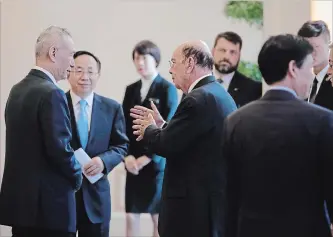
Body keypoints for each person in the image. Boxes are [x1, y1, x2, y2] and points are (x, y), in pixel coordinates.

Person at [223, 34, 333, 237]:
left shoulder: (235, 121)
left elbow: (230, 196)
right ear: (293, 68)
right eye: (308, 68)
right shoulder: (322, 120)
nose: (311, 76)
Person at [130, 40, 237, 237]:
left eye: (173, 62)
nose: (170, 69)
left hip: (193, 210)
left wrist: (148, 129)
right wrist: (162, 126)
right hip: (209, 204)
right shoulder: (216, 93)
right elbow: (186, 139)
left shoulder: (197, 99)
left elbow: (166, 145)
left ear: (189, 63)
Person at [0, 26, 82, 237]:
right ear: (54, 53)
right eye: (71, 54)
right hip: (50, 210)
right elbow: (60, 149)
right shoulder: (52, 93)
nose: (73, 62)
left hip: (21, 209)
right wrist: (77, 175)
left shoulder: (16, 90)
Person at [66, 50, 129, 237]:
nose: (85, 77)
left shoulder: (112, 108)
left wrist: (103, 162)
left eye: (90, 71)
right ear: (69, 72)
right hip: (63, 196)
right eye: (78, 70)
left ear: (98, 75)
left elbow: (121, 146)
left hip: (96, 198)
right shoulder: (56, 103)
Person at [122, 40, 178, 237]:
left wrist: (147, 158)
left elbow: (169, 127)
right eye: (136, 58)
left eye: (144, 58)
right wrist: (127, 156)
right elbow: (124, 127)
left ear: (155, 60)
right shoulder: (131, 89)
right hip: (133, 164)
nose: (140, 63)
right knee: (131, 217)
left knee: (158, 220)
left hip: (155, 164)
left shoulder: (167, 89)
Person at [212, 31, 262, 107]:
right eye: (222, 50)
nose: (226, 57)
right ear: (213, 51)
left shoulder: (253, 89)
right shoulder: (197, 82)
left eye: (232, 52)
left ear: (239, 56)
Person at [298, 20, 332, 109]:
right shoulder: (304, 81)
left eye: (316, 46)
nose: (312, 52)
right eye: (308, 47)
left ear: (328, 45)